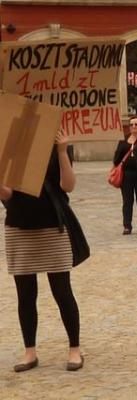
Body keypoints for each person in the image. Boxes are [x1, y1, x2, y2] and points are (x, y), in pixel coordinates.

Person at [0, 131, 84, 372]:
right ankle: (30, 351)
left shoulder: (57, 144)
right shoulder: (10, 149)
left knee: (62, 291)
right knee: (25, 295)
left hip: (51, 227)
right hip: (19, 227)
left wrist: (61, 151)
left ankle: (75, 349)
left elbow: (68, 186)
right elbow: (6, 195)